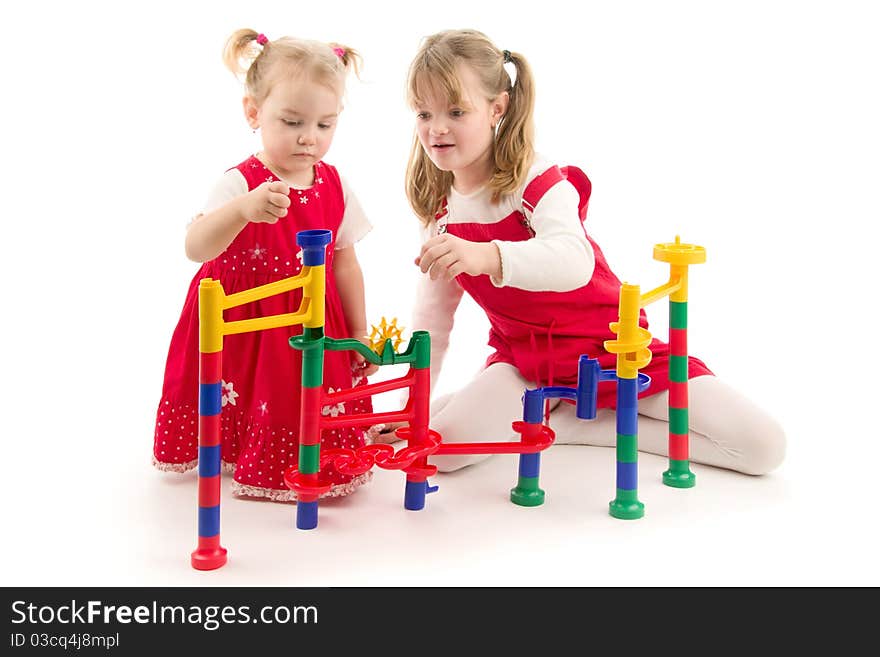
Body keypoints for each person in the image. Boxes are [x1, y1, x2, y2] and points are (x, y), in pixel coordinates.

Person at [379, 29, 785, 476]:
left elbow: (573, 262)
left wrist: (487, 256)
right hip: (529, 365)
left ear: (497, 108)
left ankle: (581, 425)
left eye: (456, 111)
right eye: (423, 113)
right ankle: (541, 410)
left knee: (764, 448)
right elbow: (431, 325)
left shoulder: (538, 181)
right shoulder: (439, 215)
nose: (437, 128)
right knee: (436, 452)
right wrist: (409, 408)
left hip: (615, 350)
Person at [153, 29, 379, 501]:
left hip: (310, 320)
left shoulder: (334, 183)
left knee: (298, 393)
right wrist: (242, 211)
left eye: (325, 125)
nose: (309, 138)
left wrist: (358, 330)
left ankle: (302, 459)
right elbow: (196, 247)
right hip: (240, 319)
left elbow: (345, 261)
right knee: (242, 392)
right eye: (292, 121)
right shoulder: (243, 182)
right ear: (254, 112)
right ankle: (240, 452)